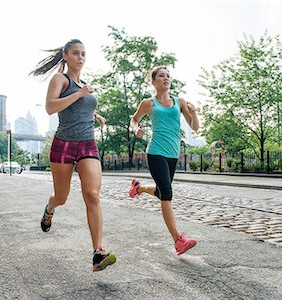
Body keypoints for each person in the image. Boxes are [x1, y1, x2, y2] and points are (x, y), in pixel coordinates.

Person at [30, 39, 116, 272]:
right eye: (76, 53)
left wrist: (94, 114)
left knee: (93, 194)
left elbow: (82, 105)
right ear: (66, 56)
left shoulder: (84, 84)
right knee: (62, 196)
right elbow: (51, 107)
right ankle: (50, 208)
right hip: (64, 144)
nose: (80, 57)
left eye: (83, 54)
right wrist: (80, 95)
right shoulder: (61, 79)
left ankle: (98, 253)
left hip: (88, 144)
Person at [129, 67, 200, 255]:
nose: (166, 78)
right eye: (161, 76)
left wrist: (194, 113)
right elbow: (134, 120)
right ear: (153, 82)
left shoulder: (180, 102)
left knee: (161, 191)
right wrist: (136, 129)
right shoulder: (148, 103)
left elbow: (195, 128)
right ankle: (178, 240)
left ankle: (139, 187)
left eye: (168, 76)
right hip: (156, 152)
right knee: (167, 194)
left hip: (172, 154)